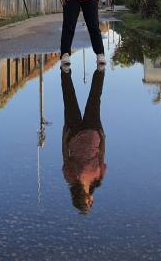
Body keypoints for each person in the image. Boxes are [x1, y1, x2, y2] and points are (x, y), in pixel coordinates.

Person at [61, 66, 106, 214]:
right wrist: (103, 137)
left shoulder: (72, 179)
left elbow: (66, 156)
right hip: (92, 133)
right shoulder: (97, 180)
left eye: (89, 204)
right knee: (94, 98)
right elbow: (101, 155)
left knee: (70, 100)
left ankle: (65, 72)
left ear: (84, 199)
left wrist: (64, 137)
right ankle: (100, 70)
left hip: (75, 134)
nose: (91, 202)